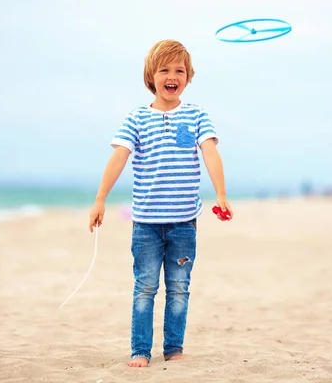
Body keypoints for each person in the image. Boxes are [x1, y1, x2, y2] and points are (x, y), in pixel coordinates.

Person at [88, 39, 233, 368]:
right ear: (150, 76)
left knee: (179, 288)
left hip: (184, 222)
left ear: (188, 77)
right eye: (164, 69)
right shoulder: (137, 118)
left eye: (179, 70)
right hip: (146, 225)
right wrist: (100, 199)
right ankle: (141, 350)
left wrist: (221, 194)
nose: (172, 76)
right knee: (145, 287)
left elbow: (210, 152)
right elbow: (119, 157)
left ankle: (173, 348)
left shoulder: (196, 116)